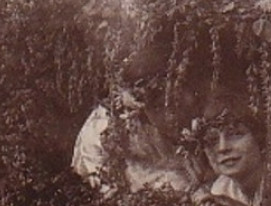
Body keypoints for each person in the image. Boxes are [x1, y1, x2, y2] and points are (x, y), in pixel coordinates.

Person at [71, 44, 194, 195]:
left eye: (149, 84)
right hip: (128, 183)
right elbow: (93, 156)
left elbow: (179, 153)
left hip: (174, 179)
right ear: (120, 87)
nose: (142, 92)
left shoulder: (167, 107)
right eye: (135, 86)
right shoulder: (105, 120)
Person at [188, 93, 271, 206]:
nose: (222, 148)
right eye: (212, 141)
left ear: (259, 138)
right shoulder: (223, 186)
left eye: (235, 135)